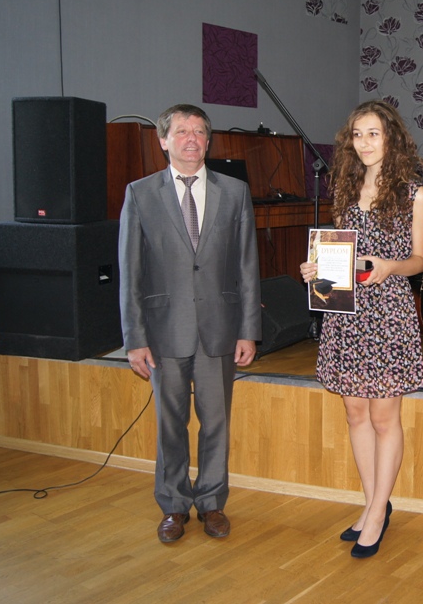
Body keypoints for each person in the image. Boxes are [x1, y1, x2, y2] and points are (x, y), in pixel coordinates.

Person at [119, 104, 261, 544]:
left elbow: (247, 266)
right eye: (181, 131)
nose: (191, 139)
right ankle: (174, 506)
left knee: (216, 422)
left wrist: (248, 329)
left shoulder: (234, 192)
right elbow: (130, 273)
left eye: (199, 131)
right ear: (163, 141)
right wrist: (135, 338)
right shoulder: (140, 194)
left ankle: (213, 503)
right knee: (171, 424)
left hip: (219, 330)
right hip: (164, 332)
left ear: (208, 141)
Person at [299, 100, 423, 559]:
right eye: (357, 134)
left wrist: (388, 266)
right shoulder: (344, 187)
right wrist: (317, 268)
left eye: (373, 133)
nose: (364, 142)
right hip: (346, 311)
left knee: (383, 417)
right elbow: (341, 251)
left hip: (388, 310)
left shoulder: (415, 193)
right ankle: (374, 502)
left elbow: (420, 260)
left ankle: (376, 513)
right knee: (355, 412)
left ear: (391, 138)